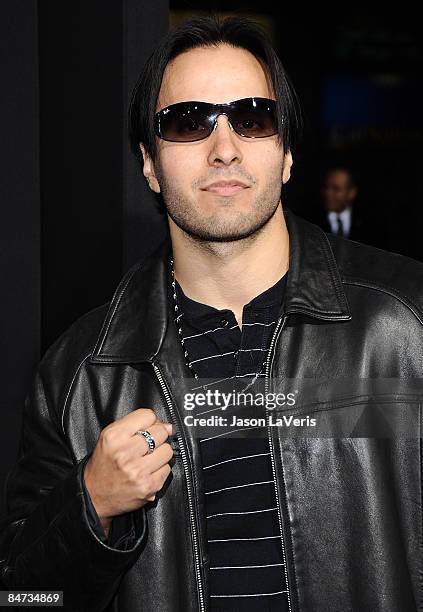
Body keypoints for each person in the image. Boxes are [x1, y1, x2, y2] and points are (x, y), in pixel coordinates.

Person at [1, 14, 422, 612]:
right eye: (188, 122)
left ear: (286, 155)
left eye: (252, 118)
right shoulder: (82, 377)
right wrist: (89, 506)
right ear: (148, 162)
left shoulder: (403, 330)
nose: (224, 149)